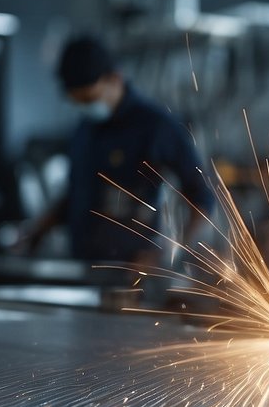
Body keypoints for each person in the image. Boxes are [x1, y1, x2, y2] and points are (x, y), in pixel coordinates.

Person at [23, 35, 214, 266]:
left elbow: (202, 198)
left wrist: (172, 253)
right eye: (78, 102)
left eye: (90, 98)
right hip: (82, 267)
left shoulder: (156, 126)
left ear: (115, 79)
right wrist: (35, 233)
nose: (86, 107)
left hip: (134, 275)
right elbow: (75, 194)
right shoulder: (84, 130)